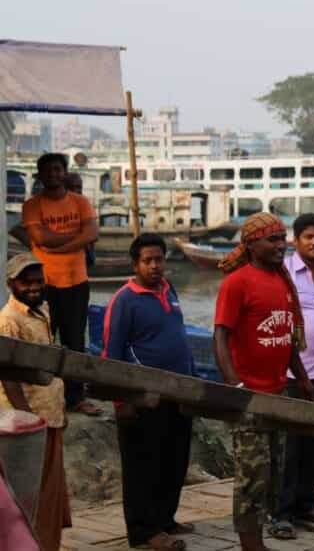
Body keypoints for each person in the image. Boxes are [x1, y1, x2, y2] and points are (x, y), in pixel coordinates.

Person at [212, 213, 314, 551]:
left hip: (278, 394)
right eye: (272, 239)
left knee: (273, 475)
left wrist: (302, 380)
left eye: (282, 237)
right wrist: (234, 385)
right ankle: (250, 544)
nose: (280, 245)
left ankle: (258, 538)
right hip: (249, 397)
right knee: (250, 479)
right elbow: (220, 335)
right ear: (251, 244)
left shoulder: (282, 282)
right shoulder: (237, 283)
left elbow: (285, 338)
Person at [103, 234, 194, 551]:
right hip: (143, 398)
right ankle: (144, 530)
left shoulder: (169, 290)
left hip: (177, 394)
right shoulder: (124, 300)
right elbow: (111, 354)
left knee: (174, 460)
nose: (155, 266)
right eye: (148, 260)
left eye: (159, 259)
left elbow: (179, 337)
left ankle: (166, 519)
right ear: (135, 264)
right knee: (144, 466)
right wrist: (121, 400)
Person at [270, 214, 314, 539]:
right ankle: (281, 513)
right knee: (291, 445)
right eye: (309, 237)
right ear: (296, 241)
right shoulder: (283, 273)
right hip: (293, 374)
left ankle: (307, 503)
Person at [0, 253, 72, 551]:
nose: (34, 287)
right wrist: (28, 420)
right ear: (11, 284)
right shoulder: (8, 320)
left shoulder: (42, 311)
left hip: (49, 416)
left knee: (49, 497)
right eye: (26, 282)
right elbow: (7, 377)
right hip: (27, 426)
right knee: (28, 498)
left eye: (38, 281)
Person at [21, 153, 101, 416]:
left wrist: (59, 242)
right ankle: (40, 397)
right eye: (47, 171)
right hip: (43, 285)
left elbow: (92, 234)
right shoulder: (32, 206)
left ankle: (75, 397)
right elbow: (39, 236)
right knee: (41, 340)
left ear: (64, 173)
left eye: (57, 169)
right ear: (40, 175)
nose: (53, 174)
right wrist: (76, 238)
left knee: (75, 341)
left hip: (76, 282)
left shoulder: (81, 201)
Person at [63, 173, 96, 268]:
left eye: (78, 187)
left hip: (84, 254)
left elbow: (93, 234)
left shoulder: (84, 204)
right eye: (71, 187)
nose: (76, 191)